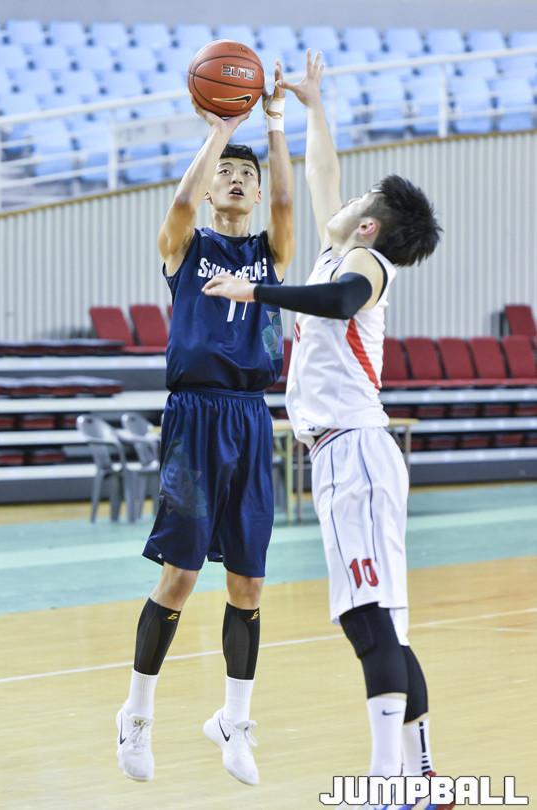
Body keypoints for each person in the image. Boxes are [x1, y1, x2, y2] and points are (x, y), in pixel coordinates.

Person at [203, 51, 453, 810]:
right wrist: (312, 106)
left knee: (368, 620)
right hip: (352, 453)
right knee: (385, 626)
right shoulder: (341, 245)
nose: (342, 198)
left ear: (369, 223)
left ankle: (386, 784)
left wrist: (255, 290)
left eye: (360, 200)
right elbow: (322, 173)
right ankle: (421, 780)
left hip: (354, 451)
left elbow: (341, 302)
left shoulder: (366, 263)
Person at [116, 63, 294, 786]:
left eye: (246, 174)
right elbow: (181, 202)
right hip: (194, 417)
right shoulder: (184, 248)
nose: (238, 180)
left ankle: (234, 721)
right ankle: (136, 714)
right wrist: (219, 133)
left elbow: (287, 199)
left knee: (248, 583)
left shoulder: (271, 254)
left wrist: (273, 125)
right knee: (181, 574)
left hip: (250, 417)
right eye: (228, 173)